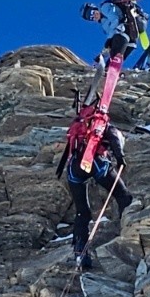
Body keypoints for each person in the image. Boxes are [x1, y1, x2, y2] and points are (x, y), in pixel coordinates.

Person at [57, 106, 131, 270]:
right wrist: (120, 159)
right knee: (123, 195)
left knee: (82, 212)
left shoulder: (80, 125)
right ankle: (128, 232)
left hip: (74, 167)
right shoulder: (105, 125)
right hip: (96, 163)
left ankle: (80, 254)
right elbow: (114, 140)